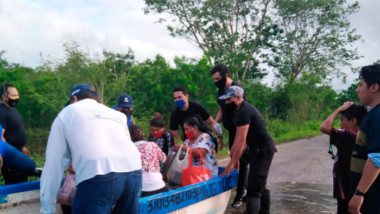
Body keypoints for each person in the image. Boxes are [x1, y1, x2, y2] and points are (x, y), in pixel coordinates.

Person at [40, 84, 142, 214]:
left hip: (98, 172)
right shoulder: (117, 115)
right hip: (134, 169)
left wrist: (46, 209)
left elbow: (53, 166)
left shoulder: (66, 114)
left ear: (74, 99)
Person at [220, 86, 276, 214]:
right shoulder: (239, 111)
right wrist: (234, 158)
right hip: (255, 149)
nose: (227, 103)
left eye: (229, 100)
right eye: (226, 100)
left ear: (238, 97)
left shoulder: (245, 111)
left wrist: (232, 163)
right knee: (259, 184)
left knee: (253, 188)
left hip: (263, 150)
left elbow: (241, 140)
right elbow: (237, 140)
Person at [210, 64, 249, 208]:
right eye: (214, 79)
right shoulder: (220, 91)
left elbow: (242, 111)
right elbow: (221, 110)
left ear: (226, 75)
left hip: (240, 130)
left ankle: (241, 193)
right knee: (234, 159)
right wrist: (216, 123)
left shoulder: (238, 89)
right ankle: (241, 187)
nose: (216, 82)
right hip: (230, 131)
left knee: (240, 160)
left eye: (218, 79)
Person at [319, 102, 367, 214]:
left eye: (342, 120)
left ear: (353, 121)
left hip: (346, 189)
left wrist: (339, 109)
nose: (340, 124)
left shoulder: (350, 135)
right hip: (351, 187)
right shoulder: (361, 135)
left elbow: (324, 127)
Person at [348, 64, 380, 214]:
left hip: (372, 195)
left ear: (374, 87)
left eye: (361, 85)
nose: (357, 89)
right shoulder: (372, 114)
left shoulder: (377, 116)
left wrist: (359, 194)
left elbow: (377, 157)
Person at [0, 83, 30, 184]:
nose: (16, 98)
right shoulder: (2, 111)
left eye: (17, 95)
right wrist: (12, 152)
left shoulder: (12, 110)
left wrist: (21, 147)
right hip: (11, 155)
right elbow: (1, 135)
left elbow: (15, 130)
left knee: (23, 179)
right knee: (14, 182)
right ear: (4, 96)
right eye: (13, 96)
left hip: (19, 151)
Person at [129, 124, 168, 197]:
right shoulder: (152, 145)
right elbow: (164, 159)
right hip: (160, 186)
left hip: (141, 191)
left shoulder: (128, 150)